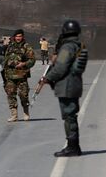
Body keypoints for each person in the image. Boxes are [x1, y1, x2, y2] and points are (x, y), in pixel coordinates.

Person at [39, 20, 87, 157]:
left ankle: (72, 147)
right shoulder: (80, 45)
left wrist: (47, 78)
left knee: (69, 116)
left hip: (67, 85)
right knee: (71, 115)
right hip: (75, 83)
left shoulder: (67, 47)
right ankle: (73, 145)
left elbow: (60, 67)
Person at [3, 29, 35, 122]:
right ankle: (14, 115)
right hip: (10, 75)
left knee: (23, 95)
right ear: (14, 37)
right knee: (10, 94)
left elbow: (32, 60)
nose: (18, 38)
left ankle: (26, 113)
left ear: (22, 37)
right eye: (17, 36)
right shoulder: (10, 46)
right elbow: (6, 59)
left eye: (20, 36)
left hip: (21, 75)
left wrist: (23, 64)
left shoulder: (26, 47)